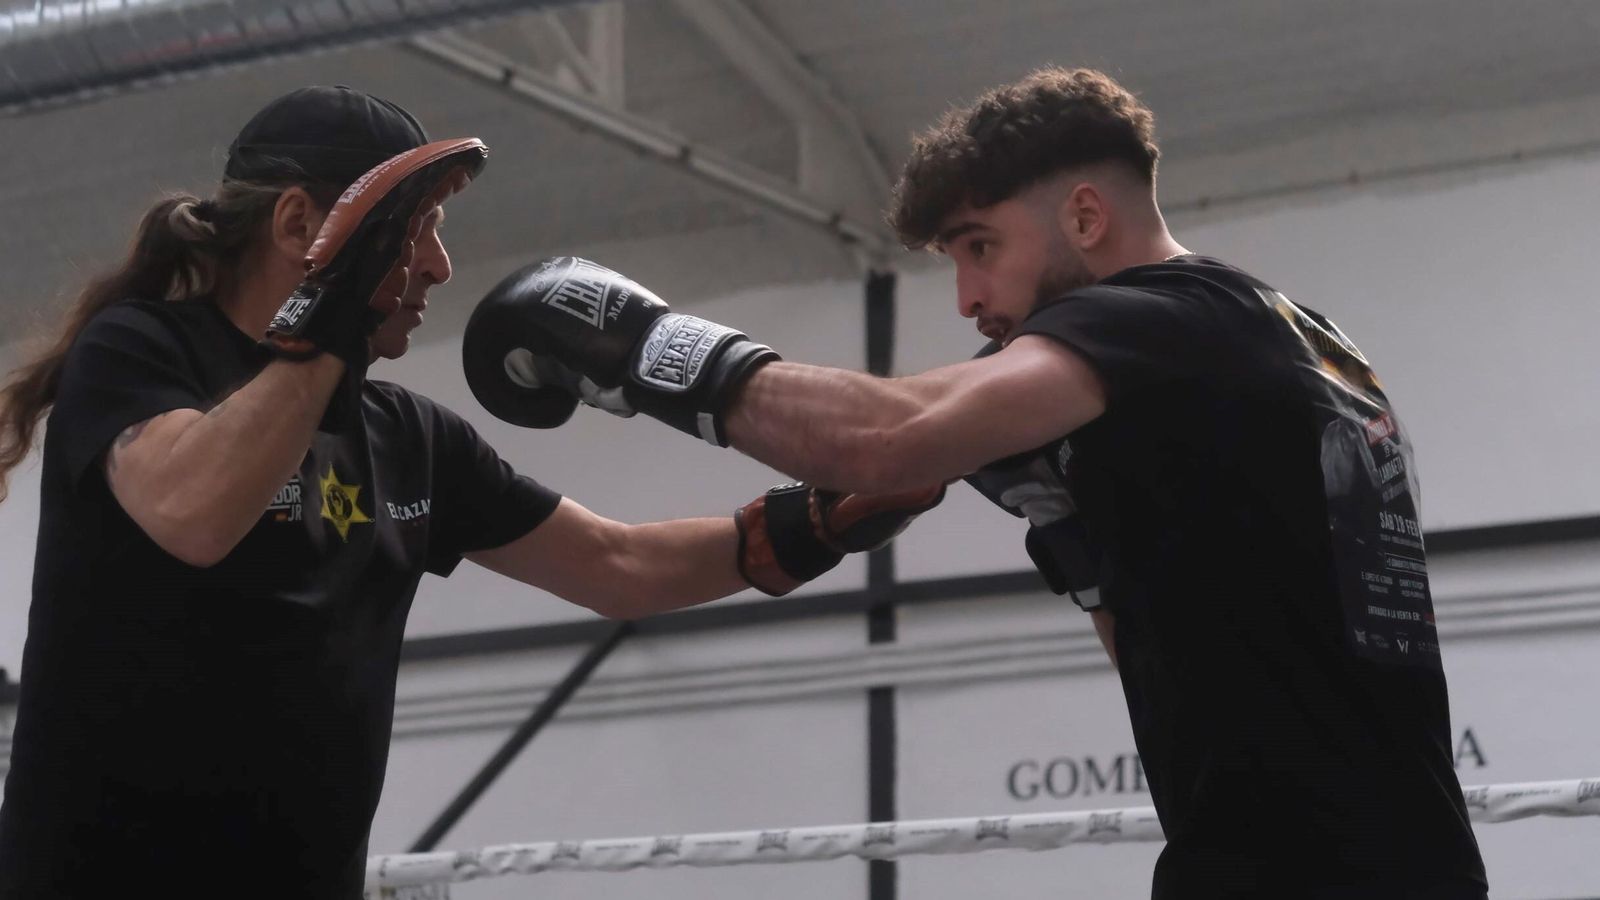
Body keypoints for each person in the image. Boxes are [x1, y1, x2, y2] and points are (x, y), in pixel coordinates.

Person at [470, 68, 1488, 898]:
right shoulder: (1298, 339)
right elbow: (1194, 640)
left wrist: (645, 344)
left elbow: (893, 437)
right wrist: (1081, 531)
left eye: (980, 248)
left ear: (1085, 215)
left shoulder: (1163, 318)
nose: (967, 297)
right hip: (1393, 858)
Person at [0, 86, 939, 899]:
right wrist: (330, 321)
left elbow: (619, 566)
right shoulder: (142, 353)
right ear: (299, 227)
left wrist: (810, 523)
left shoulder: (407, 437)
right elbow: (193, 514)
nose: (440, 269)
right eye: (414, 235)